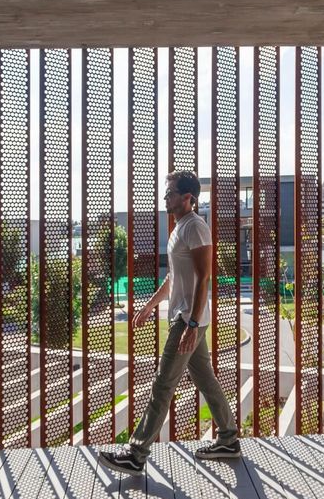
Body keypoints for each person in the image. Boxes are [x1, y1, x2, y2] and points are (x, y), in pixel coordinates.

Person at [99, 171, 239, 476]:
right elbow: (174, 277)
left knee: (162, 384)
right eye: (166, 193)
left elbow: (204, 278)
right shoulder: (178, 229)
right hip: (187, 317)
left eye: (171, 192)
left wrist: (191, 322)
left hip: (188, 319)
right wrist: (151, 305)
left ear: (187, 197)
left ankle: (136, 453)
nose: (166, 197)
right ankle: (229, 439)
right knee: (206, 379)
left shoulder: (196, 228)